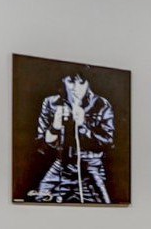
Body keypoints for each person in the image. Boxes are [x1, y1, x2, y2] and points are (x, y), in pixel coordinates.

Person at [32, 72, 116, 203]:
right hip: (62, 166)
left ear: (88, 83)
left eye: (81, 83)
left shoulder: (101, 105)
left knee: (104, 205)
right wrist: (55, 126)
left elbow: (108, 142)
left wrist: (83, 125)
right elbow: (41, 147)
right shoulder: (51, 103)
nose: (76, 88)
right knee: (39, 198)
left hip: (91, 167)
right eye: (71, 82)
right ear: (63, 81)